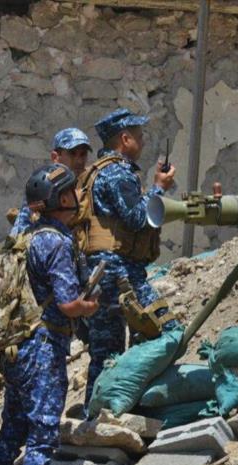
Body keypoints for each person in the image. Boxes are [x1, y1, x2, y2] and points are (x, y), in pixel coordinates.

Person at [0, 165, 99, 465]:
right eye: (74, 191)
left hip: (17, 348)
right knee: (43, 431)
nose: (79, 196)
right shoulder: (58, 243)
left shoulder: (27, 238)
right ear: (61, 198)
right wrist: (89, 306)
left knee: (13, 429)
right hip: (43, 349)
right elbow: (67, 304)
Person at [78, 108, 178, 409]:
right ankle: (145, 405)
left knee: (105, 351)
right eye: (139, 136)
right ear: (125, 139)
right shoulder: (118, 172)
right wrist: (159, 187)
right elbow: (137, 218)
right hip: (120, 272)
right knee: (167, 331)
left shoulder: (97, 171)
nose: (143, 142)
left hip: (103, 272)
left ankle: (94, 414)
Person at [9, 128, 93, 237]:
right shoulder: (45, 188)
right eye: (72, 154)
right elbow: (21, 230)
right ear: (55, 157)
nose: (79, 161)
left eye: (83, 154)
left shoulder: (90, 184)